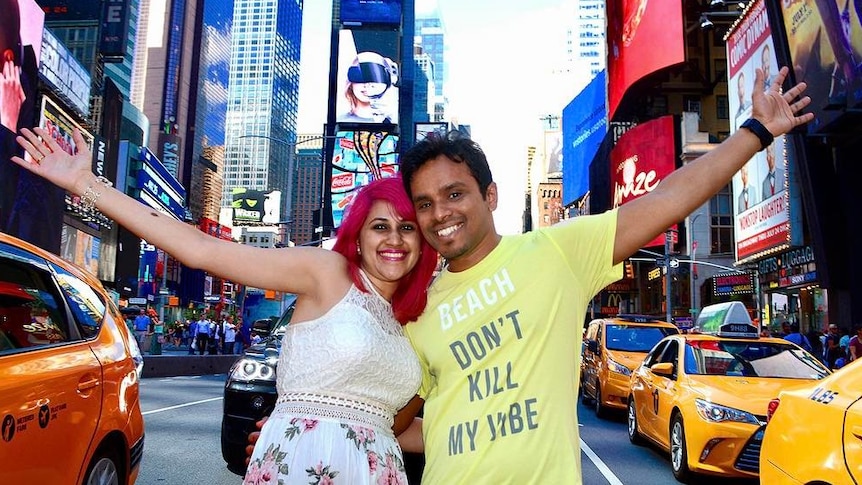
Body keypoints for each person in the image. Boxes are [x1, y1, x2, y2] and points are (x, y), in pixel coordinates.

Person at [243, 66, 812, 483]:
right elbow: (402, 422)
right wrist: (299, 437)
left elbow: (664, 201)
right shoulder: (417, 311)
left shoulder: (556, 252)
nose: (440, 213)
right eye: (424, 203)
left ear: (490, 196)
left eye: (455, 194)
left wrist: (755, 133)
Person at [9, 130, 438, 484]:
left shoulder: (412, 319)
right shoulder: (326, 272)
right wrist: (86, 184)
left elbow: (399, 426)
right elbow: (200, 250)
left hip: (378, 469)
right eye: (380, 226)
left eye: (407, 228)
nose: (395, 240)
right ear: (358, 236)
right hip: (303, 463)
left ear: (424, 240)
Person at [337, 51, 399, 124]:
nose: (366, 85)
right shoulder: (340, 121)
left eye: (374, 77)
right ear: (350, 83)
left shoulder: (394, 121)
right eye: (360, 76)